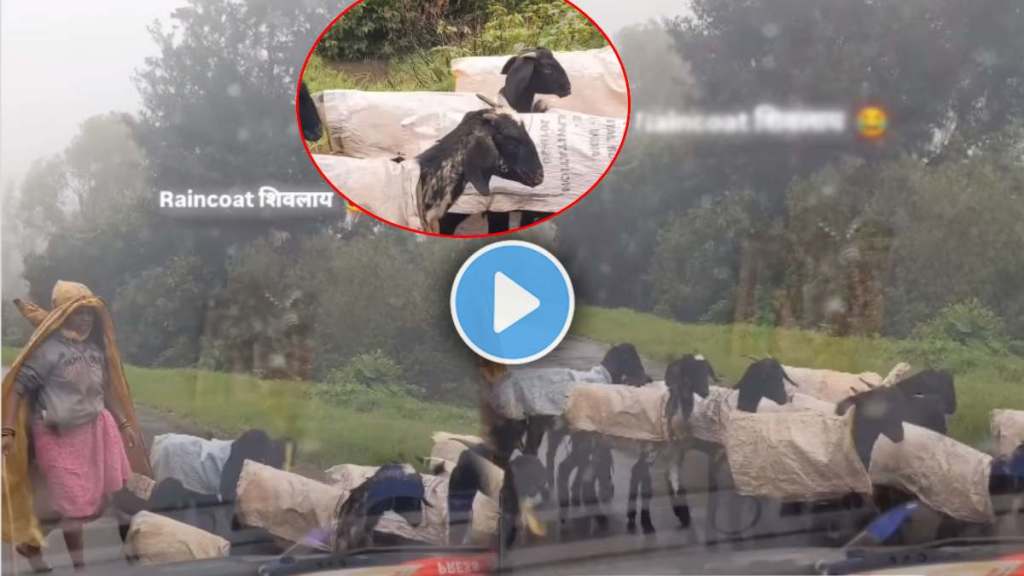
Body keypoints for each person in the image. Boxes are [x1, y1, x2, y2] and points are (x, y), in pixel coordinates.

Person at [2, 280, 151, 572]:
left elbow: (105, 389)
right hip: (57, 438)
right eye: (78, 312)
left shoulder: (95, 349)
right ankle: (80, 567)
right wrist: (7, 432)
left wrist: (123, 423)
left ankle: (32, 546)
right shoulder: (47, 352)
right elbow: (17, 388)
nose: (85, 318)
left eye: (89, 313)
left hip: (97, 433)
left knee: (100, 502)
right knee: (73, 508)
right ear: (63, 315)